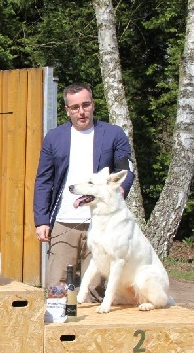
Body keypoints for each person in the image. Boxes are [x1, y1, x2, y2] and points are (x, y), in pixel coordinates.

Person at [33, 83, 134, 300]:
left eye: (86, 105)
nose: (81, 111)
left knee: (95, 286)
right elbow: (44, 180)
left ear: (93, 105)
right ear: (67, 110)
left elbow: (126, 170)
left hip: (102, 223)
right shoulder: (54, 137)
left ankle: (91, 330)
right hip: (64, 221)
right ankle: (57, 326)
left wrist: (120, 191)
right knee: (57, 283)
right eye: (75, 107)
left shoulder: (114, 134)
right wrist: (42, 220)